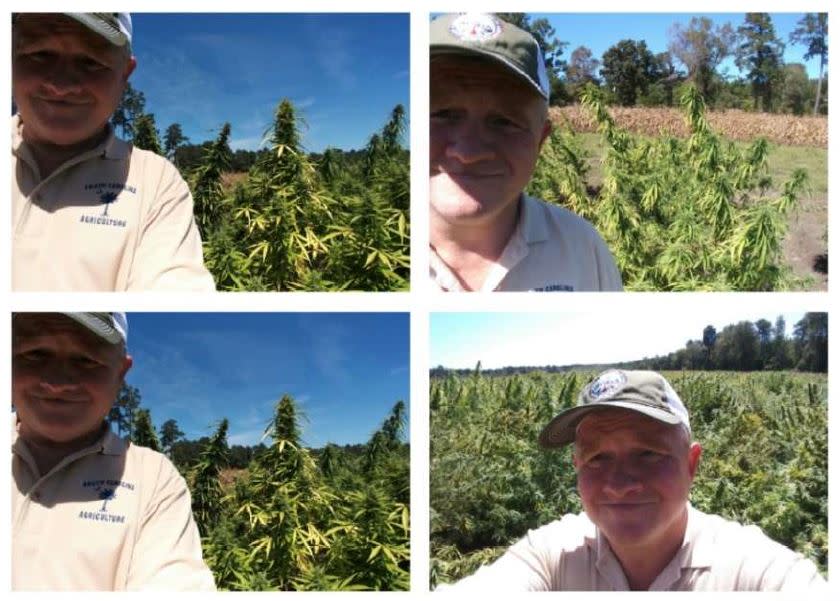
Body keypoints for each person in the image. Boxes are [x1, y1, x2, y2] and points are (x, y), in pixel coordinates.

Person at [445, 369, 826, 590]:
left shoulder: (756, 572)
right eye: (598, 458)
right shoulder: (552, 558)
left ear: (691, 463)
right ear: (576, 466)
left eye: (648, 454)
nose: (620, 482)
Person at [12, 312, 216, 590]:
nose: (58, 383)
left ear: (120, 373)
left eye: (85, 360)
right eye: (35, 354)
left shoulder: (154, 480)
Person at [12, 13, 215, 291]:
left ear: (124, 75)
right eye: (41, 54)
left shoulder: (156, 183)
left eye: (91, 63)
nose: (61, 85)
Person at [430, 13, 622, 292]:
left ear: (540, 141)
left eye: (504, 122)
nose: (468, 152)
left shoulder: (583, 249)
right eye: (442, 114)